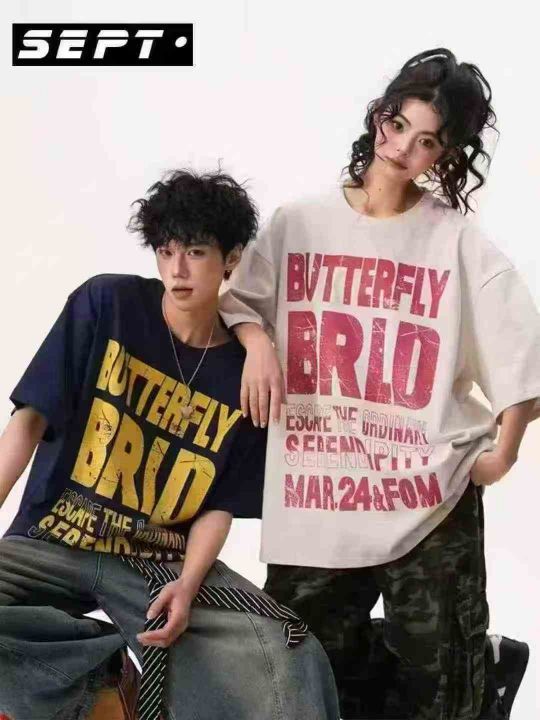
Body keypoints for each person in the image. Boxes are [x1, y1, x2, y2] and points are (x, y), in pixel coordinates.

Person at [219, 49, 540, 719]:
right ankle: (477, 663)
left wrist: (504, 452)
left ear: (444, 156)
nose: (402, 149)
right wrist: (258, 343)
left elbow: (522, 351)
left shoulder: (455, 242)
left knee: (441, 694)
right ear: (378, 117)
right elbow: (238, 302)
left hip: (428, 499)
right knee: (299, 674)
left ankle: (476, 671)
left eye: (427, 142)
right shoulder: (300, 222)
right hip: (321, 495)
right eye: (398, 126)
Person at [0, 169, 340, 720]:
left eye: (196, 252)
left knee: (289, 649)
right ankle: (100, 682)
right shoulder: (107, 303)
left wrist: (187, 583)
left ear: (230, 259)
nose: (177, 270)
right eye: (166, 251)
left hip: (156, 561)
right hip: (53, 542)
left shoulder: (247, 375)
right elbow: (28, 422)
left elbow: (218, 505)